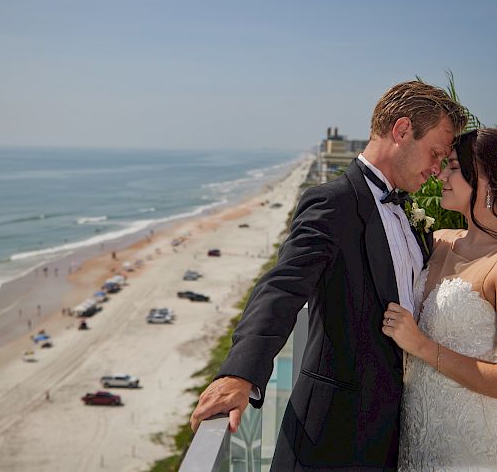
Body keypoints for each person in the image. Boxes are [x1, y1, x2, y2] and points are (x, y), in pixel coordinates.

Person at [190, 80, 467, 470]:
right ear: (402, 131)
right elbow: (282, 287)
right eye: (435, 153)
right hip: (331, 439)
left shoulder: (407, 212)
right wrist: (239, 374)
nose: (437, 169)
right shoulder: (333, 202)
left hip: (393, 437)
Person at [383, 128, 497, 470]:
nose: (441, 175)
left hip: (467, 449)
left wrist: (421, 346)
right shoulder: (438, 240)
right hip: (415, 437)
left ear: (489, 181)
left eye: (453, 168)